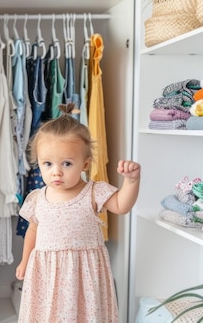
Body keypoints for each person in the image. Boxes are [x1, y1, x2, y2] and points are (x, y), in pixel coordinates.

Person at [15, 103, 141, 322]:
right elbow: (33, 230)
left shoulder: (93, 192)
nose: (56, 171)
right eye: (47, 164)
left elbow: (122, 206)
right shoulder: (37, 198)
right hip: (47, 274)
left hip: (84, 275)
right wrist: (25, 261)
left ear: (85, 164)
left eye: (66, 163)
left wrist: (131, 181)